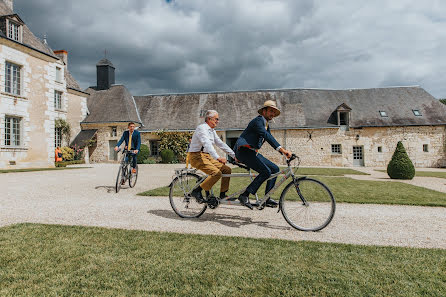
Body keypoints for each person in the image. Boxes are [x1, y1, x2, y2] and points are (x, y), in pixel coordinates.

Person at [234, 100, 292, 209]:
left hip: (252, 152)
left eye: (274, 112)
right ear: (264, 111)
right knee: (266, 171)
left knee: (275, 169)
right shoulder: (258, 121)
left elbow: (269, 138)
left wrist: (282, 152)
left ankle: (267, 198)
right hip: (243, 152)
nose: (272, 114)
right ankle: (244, 195)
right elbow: (267, 136)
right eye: (270, 111)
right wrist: (283, 150)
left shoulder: (265, 125)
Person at [188, 110, 236, 201]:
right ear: (209, 119)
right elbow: (207, 144)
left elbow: (221, 143)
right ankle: (197, 191)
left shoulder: (211, 130)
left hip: (207, 156)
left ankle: (223, 194)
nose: (218, 121)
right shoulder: (202, 128)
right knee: (216, 173)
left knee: (227, 170)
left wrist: (234, 156)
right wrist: (218, 157)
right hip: (196, 156)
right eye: (216, 119)